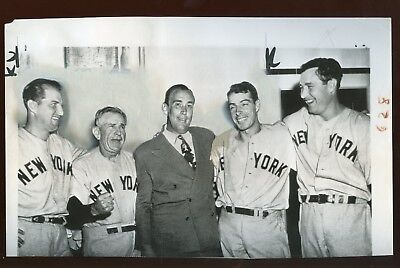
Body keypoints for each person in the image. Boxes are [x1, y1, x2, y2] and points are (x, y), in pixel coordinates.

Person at [283, 58, 371, 257]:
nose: (303, 94)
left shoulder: (362, 125)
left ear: (331, 85)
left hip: (349, 216)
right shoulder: (293, 122)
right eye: (301, 88)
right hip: (308, 215)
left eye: (310, 87)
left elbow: (382, 185)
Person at [134, 84, 222, 257]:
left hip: (209, 241)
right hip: (172, 245)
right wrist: (146, 247)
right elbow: (144, 205)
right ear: (165, 108)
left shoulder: (207, 138)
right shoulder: (145, 152)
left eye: (189, 105)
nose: (184, 111)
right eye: (178, 104)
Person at [211, 81, 296, 258]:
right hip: (229, 222)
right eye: (233, 106)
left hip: (265, 224)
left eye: (244, 104)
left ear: (257, 105)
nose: (238, 112)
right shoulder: (221, 141)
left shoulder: (282, 135)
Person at [17, 78, 85, 256]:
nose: (61, 112)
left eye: (61, 105)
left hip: (60, 233)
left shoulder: (63, 145)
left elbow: (94, 160)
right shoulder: (11, 142)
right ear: (33, 106)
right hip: (28, 233)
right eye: (54, 105)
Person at [67, 106, 138, 257]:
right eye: (111, 126)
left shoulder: (133, 160)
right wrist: (94, 209)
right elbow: (72, 212)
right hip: (100, 245)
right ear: (97, 132)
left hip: (133, 243)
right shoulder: (83, 164)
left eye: (122, 126)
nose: (119, 132)